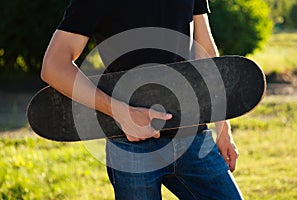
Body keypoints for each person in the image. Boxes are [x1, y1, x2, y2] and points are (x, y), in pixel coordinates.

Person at [41, 0, 244, 199]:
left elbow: (205, 52)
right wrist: (121, 113)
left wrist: (223, 128)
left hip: (193, 134)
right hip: (131, 144)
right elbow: (54, 65)